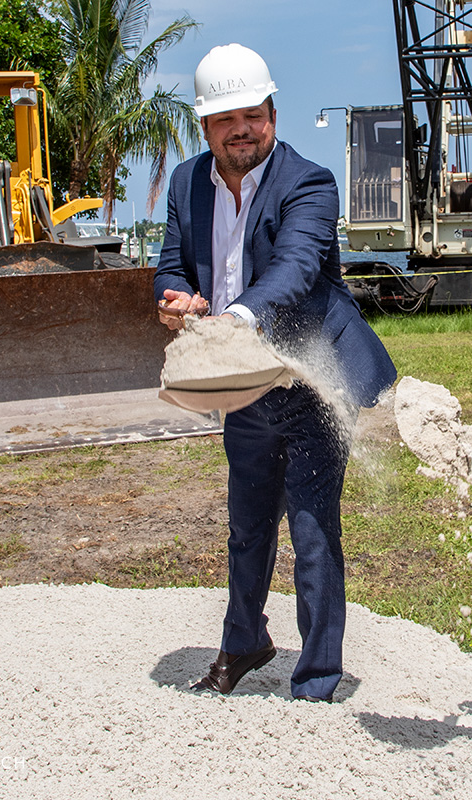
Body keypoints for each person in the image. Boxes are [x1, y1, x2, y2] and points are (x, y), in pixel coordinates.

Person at [154, 43, 396, 703]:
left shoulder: (310, 183)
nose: (242, 129)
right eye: (226, 118)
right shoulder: (185, 184)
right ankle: (243, 644)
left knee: (314, 531)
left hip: (312, 382)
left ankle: (317, 676)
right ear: (204, 126)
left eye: (254, 114)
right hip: (243, 388)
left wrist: (231, 318)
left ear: (272, 112)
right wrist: (176, 297)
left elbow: (292, 270)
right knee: (247, 524)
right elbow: (172, 261)